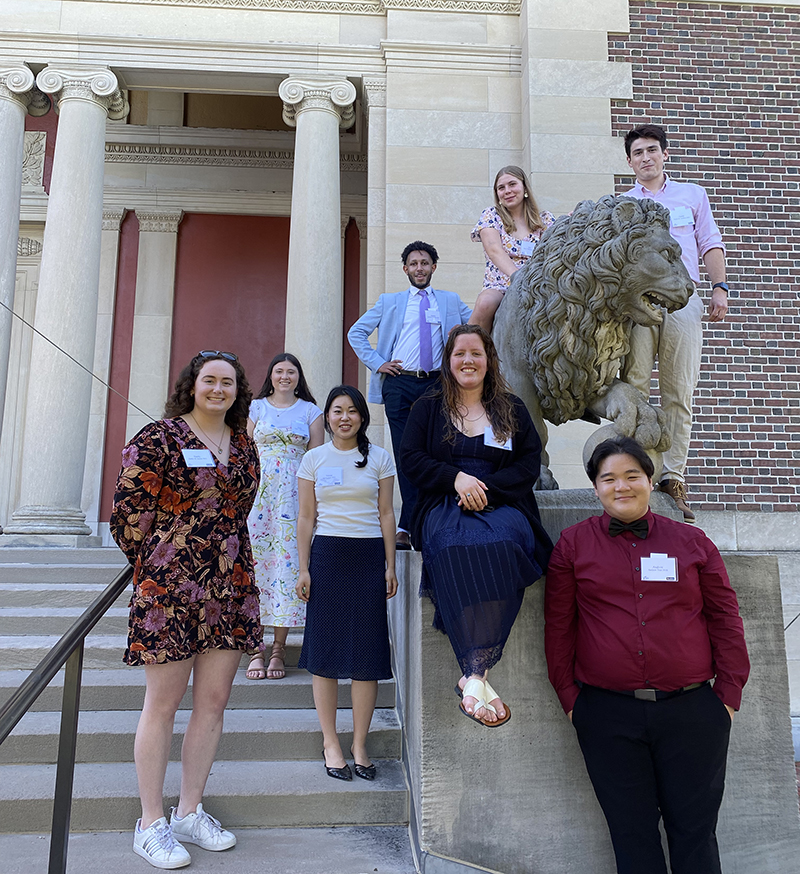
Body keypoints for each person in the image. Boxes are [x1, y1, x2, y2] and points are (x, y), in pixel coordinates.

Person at [544, 435, 749, 874]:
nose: (622, 486)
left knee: (695, 832)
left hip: (694, 712)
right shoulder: (572, 546)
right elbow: (559, 628)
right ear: (595, 488)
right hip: (606, 715)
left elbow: (725, 619)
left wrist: (727, 697)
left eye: (631, 475)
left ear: (650, 481)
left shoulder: (693, 543)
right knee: (631, 834)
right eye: (609, 478)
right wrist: (571, 701)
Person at [110, 350, 263, 869]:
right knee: (163, 704)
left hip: (229, 587)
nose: (219, 389)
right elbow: (127, 512)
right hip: (171, 590)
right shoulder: (158, 438)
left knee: (213, 703)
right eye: (209, 380)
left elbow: (240, 511)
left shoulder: (243, 446)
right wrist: (158, 562)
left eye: (228, 382)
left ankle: (188, 812)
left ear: (239, 391)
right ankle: (151, 822)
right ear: (191, 385)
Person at [400, 324, 553, 726]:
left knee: (504, 543)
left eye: (477, 353)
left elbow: (528, 463)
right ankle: (475, 674)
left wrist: (486, 488)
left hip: (502, 502)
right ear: (448, 362)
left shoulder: (512, 407)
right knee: (451, 544)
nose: (468, 361)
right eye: (459, 354)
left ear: (489, 360)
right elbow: (412, 459)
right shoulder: (427, 407)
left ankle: (472, 676)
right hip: (443, 501)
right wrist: (456, 479)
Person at [620, 123, 729, 521]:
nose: (645, 158)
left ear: (665, 154)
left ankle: (672, 476)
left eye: (652, 150)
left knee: (679, 389)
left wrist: (720, 287)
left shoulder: (692, 195)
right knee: (633, 384)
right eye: (638, 153)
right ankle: (635, 470)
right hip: (639, 302)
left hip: (684, 300)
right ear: (629, 162)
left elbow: (709, 242)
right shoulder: (623, 205)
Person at [295, 385, 398, 781]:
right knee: (325, 654)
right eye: (337, 411)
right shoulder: (313, 460)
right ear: (327, 416)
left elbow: (386, 513)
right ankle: (330, 742)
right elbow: (306, 517)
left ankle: (359, 742)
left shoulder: (379, 458)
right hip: (328, 557)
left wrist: (389, 565)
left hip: (368, 556)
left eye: (352, 411)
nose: (344, 417)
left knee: (366, 657)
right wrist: (303, 568)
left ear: (362, 417)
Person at [347, 241, 471, 550]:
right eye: (413, 263)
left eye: (425, 263)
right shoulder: (390, 301)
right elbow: (356, 333)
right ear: (405, 269)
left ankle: (429, 521)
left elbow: (481, 322)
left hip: (438, 385)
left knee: (439, 452)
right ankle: (408, 525)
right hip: (400, 384)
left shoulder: (450, 301)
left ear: (433, 268)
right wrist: (378, 363)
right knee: (407, 454)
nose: (419, 268)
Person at [245, 353, 323, 681]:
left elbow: (318, 458)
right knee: (255, 567)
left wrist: (317, 505)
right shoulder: (256, 407)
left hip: (295, 498)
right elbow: (243, 451)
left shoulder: (310, 411)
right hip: (258, 497)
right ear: (271, 375)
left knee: (288, 567)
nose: (285, 376)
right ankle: (255, 648)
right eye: (279, 371)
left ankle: (279, 647)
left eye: (291, 371)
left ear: (298, 376)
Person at [470, 165, 555, 333]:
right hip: (500, 284)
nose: (507, 190)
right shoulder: (491, 216)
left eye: (512, 184)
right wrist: (517, 276)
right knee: (485, 304)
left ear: (524, 188)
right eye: (501, 188)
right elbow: (494, 249)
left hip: (537, 284)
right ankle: (467, 344)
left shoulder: (545, 220)